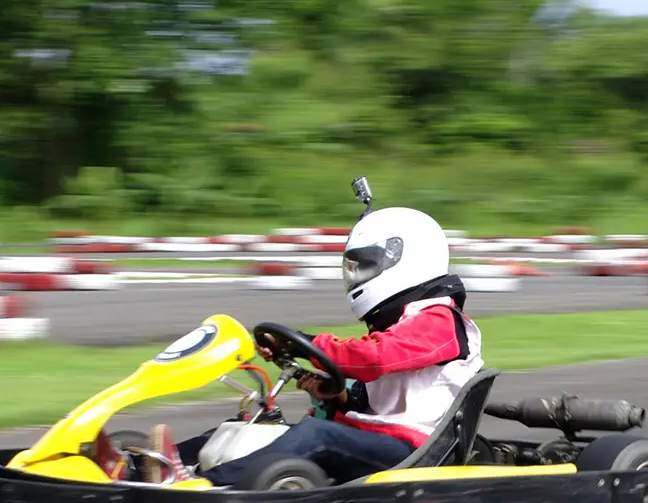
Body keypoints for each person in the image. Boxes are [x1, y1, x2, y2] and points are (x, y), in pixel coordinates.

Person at [142, 206, 483, 487]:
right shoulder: (404, 323)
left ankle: (201, 486)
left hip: (415, 453)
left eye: (366, 266)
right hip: (379, 438)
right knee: (246, 430)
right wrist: (338, 396)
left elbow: (375, 359)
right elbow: (389, 397)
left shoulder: (440, 321)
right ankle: (137, 468)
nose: (358, 276)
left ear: (406, 261)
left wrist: (308, 344)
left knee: (316, 436)